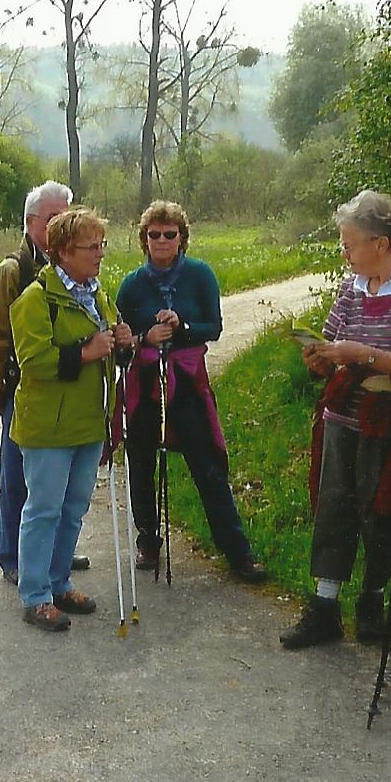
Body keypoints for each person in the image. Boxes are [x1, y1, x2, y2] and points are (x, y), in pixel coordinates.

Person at [280, 191, 391, 649]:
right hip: (343, 413)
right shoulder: (352, 287)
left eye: (350, 244)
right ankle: (324, 607)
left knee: (383, 511)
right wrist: (320, 358)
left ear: (380, 243)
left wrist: (367, 357)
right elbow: (335, 338)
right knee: (334, 507)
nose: (345, 254)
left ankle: (372, 602)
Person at [115, 202, 268, 584]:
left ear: (182, 238)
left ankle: (237, 552)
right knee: (141, 463)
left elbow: (212, 326)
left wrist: (181, 327)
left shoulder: (200, 275)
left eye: (170, 234)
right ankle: (148, 540)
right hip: (145, 384)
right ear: (143, 239)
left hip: (187, 382)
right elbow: (118, 339)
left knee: (208, 466)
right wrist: (143, 337)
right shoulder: (132, 284)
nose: (162, 241)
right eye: (154, 235)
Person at [9, 207, 135, 632]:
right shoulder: (34, 299)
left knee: (74, 508)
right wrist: (86, 351)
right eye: (91, 247)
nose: (100, 254)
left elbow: (113, 353)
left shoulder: (97, 293)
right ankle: (35, 595)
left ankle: (60, 582)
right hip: (48, 425)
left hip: (88, 422)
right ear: (62, 252)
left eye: (102, 245)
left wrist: (123, 343)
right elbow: (34, 361)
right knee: (43, 509)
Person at [0, 181, 88, 584]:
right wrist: (13, 382)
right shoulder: (12, 271)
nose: (61, 225)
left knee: (57, 482)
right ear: (31, 222)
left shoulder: (70, 271)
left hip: (64, 391)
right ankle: (13, 558)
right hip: (25, 389)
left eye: (66, 216)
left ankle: (50, 554)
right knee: (16, 477)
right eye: (53, 218)